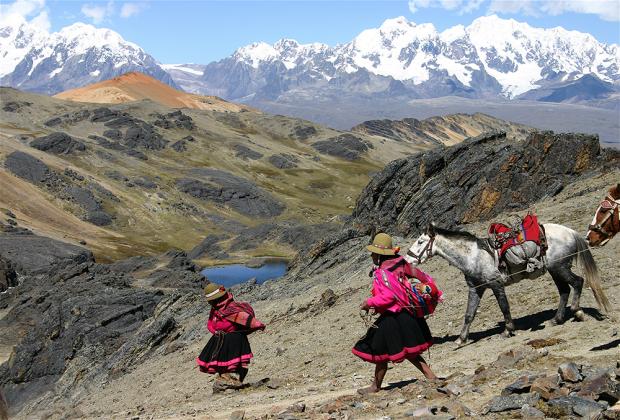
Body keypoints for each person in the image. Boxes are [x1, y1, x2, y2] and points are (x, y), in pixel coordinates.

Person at [353, 233, 439, 394]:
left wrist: (368, 303)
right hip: (408, 314)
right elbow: (421, 276)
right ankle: (431, 376)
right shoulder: (399, 262)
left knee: (379, 350)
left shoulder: (382, 273)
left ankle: (375, 386)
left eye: (373, 253)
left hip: (393, 318)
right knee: (409, 350)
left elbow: (388, 297)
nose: (371, 255)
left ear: (379, 255)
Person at [196, 283, 265, 389]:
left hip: (235, 340)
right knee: (222, 362)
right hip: (220, 339)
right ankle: (226, 380)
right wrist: (215, 332)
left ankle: (234, 381)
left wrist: (258, 325)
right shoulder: (215, 310)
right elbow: (210, 324)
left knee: (234, 363)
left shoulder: (232, 308)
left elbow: (244, 319)